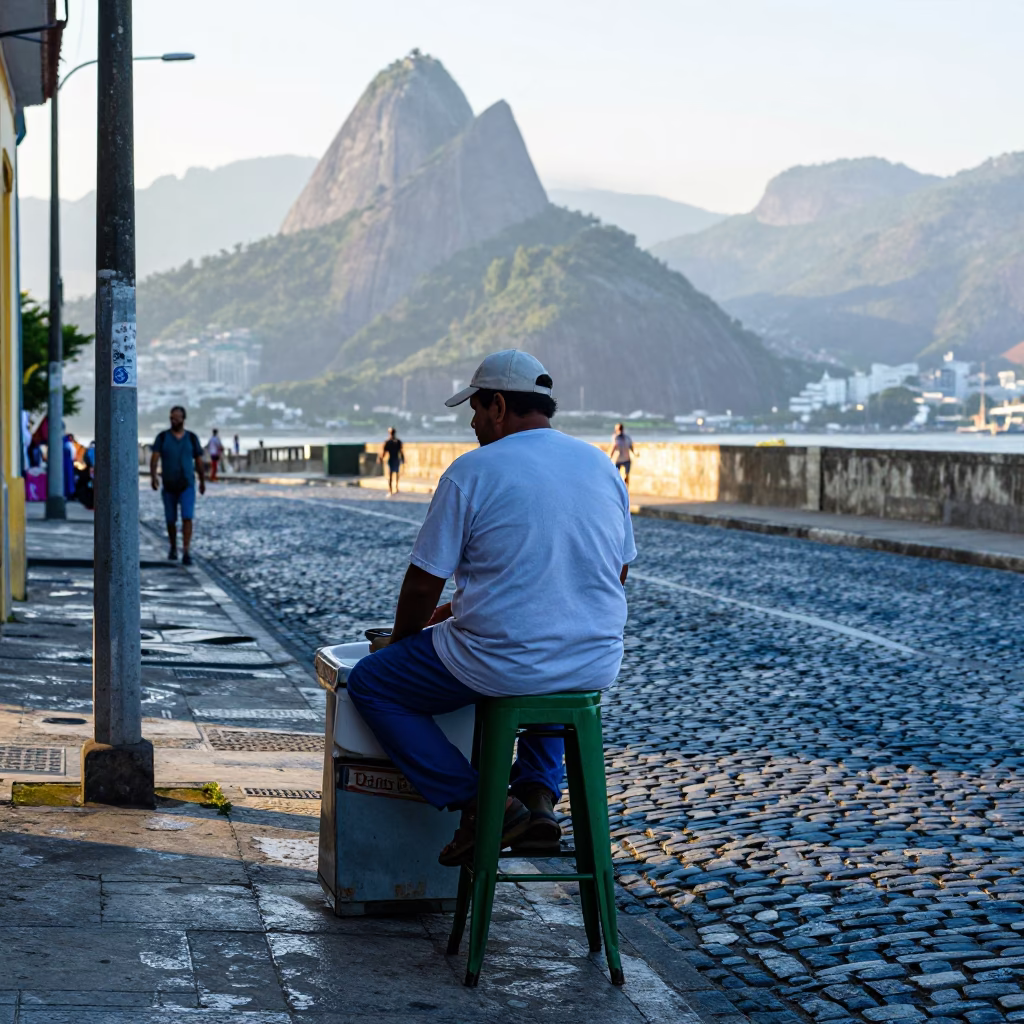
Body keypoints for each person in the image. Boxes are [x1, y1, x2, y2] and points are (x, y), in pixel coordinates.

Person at [347, 349, 635, 866]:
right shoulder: (599, 464)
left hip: (503, 660)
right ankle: (537, 798)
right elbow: (618, 574)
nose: (475, 424)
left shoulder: (473, 471)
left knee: (374, 683)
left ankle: (483, 803)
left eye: (476, 411)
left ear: (498, 405)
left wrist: (406, 639)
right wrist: (463, 612)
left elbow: (421, 584)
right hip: (593, 661)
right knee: (550, 672)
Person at [150, 405, 205, 565]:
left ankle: (186, 550)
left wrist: (202, 481)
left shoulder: (192, 438)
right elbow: (155, 459)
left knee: (187, 517)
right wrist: (154, 477)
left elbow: (199, 461)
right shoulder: (163, 437)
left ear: (183, 419)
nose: (173, 420)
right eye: (171, 417)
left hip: (187, 483)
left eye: (177, 417)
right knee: (170, 519)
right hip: (168, 485)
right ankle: (173, 546)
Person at [608, 423, 636, 488]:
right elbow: (631, 446)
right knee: (625, 475)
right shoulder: (627, 437)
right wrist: (634, 453)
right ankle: (625, 489)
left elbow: (614, 447)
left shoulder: (616, 437)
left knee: (618, 476)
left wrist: (610, 456)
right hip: (625, 459)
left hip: (619, 459)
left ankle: (622, 489)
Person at [379, 426, 405, 495]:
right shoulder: (397, 441)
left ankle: (391, 489)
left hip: (392, 459)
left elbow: (384, 452)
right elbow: (401, 452)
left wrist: (381, 458)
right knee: (396, 474)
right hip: (395, 459)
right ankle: (395, 488)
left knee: (391, 474)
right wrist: (403, 459)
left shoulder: (388, 442)